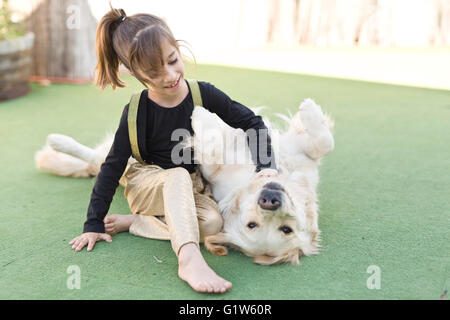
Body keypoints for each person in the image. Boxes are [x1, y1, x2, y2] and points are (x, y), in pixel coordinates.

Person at [69, 6, 278, 294]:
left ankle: (138, 224)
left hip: (189, 189)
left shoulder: (201, 93)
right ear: (133, 72)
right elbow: (113, 165)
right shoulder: (136, 111)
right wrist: (93, 223)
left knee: (213, 223)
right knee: (177, 174)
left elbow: (251, 122)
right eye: (155, 72)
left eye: (172, 60)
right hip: (148, 183)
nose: (169, 75)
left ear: (178, 49)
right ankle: (189, 258)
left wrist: (268, 167)